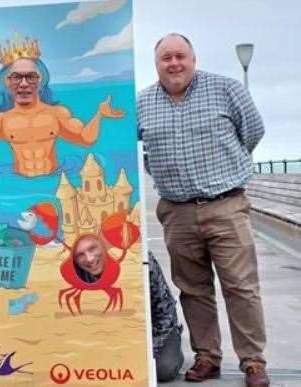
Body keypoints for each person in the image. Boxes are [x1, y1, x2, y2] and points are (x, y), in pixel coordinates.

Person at [137, 33, 269, 387]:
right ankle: (207, 356)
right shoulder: (142, 103)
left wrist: (226, 169)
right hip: (176, 211)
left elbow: (253, 132)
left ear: (193, 58)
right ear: (156, 64)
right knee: (193, 289)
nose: (174, 63)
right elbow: (133, 151)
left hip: (226, 205)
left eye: (180, 55)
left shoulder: (227, 89)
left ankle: (253, 362)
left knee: (241, 287)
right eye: (166, 57)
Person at [0, 36, 125, 177]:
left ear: (41, 80)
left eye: (31, 77)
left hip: (53, 181)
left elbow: (85, 139)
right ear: (7, 82)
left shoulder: (56, 114)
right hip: (20, 183)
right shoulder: (4, 120)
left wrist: (99, 115)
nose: (24, 83)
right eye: (16, 77)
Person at [72, 234, 183, 382]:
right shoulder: (71, 273)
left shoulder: (141, 259)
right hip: (104, 333)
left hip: (153, 332)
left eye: (93, 248)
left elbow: (165, 312)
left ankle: (173, 350)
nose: (90, 259)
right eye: (80, 255)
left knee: (162, 369)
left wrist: (148, 350)